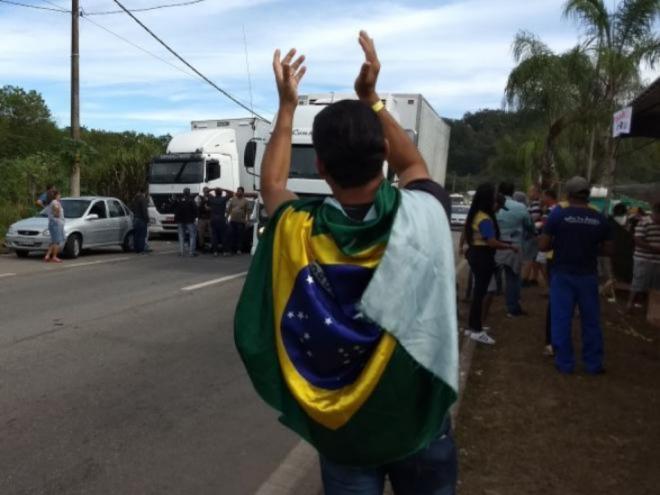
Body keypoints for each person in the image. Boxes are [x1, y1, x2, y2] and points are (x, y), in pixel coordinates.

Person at [235, 31, 458, 495]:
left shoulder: (298, 228)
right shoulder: (424, 214)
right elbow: (414, 166)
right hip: (418, 421)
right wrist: (372, 98)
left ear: (320, 167)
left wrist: (287, 107)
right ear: (382, 162)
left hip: (346, 434)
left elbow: (272, 185)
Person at [539, 177, 612, 374]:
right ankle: (593, 364)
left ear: (568, 195)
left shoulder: (558, 215)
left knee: (561, 320)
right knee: (591, 321)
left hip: (562, 274)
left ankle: (564, 363)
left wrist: (561, 244)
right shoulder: (599, 218)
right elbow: (608, 249)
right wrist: (588, 247)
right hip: (588, 275)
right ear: (587, 195)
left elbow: (543, 245)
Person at [465, 184, 518, 345]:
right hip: (483, 256)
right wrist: (509, 246)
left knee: (478, 293)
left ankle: (473, 326)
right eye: (494, 196)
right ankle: (476, 330)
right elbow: (492, 242)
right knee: (480, 294)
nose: (496, 199)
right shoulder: (485, 219)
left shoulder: (477, 215)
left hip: (476, 253)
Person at [496, 182, 534, 317]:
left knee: (490, 276)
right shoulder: (521, 207)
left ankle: (484, 304)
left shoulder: (492, 205)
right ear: (512, 192)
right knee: (513, 278)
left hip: (493, 244)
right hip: (514, 247)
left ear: (499, 190)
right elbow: (529, 226)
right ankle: (512, 308)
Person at [626, 201, 660, 313]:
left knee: (655, 284)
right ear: (655, 212)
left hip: (657, 260)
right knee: (638, 281)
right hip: (643, 258)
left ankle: (650, 308)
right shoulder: (644, 222)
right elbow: (638, 240)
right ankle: (630, 304)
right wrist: (653, 248)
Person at [224, 187, 254, 255]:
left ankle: (239, 249)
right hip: (232, 221)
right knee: (231, 234)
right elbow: (229, 209)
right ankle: (231, 249)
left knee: (240, 236)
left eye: (240, 191)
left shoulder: (245, 201)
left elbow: (248, 212)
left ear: (242, 192)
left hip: (241, 221)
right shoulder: (233, 200)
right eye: (238, 191)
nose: (238, 192)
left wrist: (248, 221)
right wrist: (226, 218)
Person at [174, 188, 198, 257]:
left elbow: (175, 208)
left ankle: (181, 252)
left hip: (180, 220)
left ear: (183, 193)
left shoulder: (179, 200)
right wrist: (195, 217)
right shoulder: (191, 200)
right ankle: (191, 252)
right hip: (189, 220)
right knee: (192, 235)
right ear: (189, 193)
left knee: (181, 236)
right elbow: (195, 210)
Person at [209, 187, 231, 256]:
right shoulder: (223, 199)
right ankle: (225, 251)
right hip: (221, 218)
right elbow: (231, 193)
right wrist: (224, 189)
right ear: (221, 193)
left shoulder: (212, 199)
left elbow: (206, 192)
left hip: (213, 219)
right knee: (223, 235)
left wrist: (212, 189)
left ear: (215, 193)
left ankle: (215, 251)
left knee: (214, 236)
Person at [44, 189, 64, 263]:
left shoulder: (52, 202)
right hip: (55, 223)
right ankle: (54, 257)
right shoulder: (55, 202)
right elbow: (56, 213)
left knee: (53, 241)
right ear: (55, 195)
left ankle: (47, 256)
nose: (60, 196)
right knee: (57, 242)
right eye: (59, 195)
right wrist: (58, 211)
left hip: (53, 223)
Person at [132, 189, 149, 254]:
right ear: (144, 193)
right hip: (141, 220)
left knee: (136, 235)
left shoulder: (135, 199)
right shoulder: (143, 199)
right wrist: (147, 219)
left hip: (135, 219)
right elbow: (144, 210)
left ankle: (136, 249)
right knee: (142, 235)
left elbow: (132, 208)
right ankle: (141, 250)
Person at [196, 187, 212, 252]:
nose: (206, 193)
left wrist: (210, 208)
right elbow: (198, 207)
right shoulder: (200, 198)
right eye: (205, 191)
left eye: (207, 191)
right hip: (202, 218)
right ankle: (201, 246)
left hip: (209, 218)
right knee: (201, 233)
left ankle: (212, 246)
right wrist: (204, 201)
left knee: (211, 233)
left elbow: (214, 206)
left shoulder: (211, 198)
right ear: (203, 191)